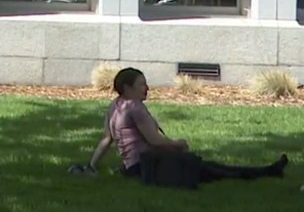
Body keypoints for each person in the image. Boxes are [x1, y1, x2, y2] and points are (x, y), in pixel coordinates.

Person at [85, 67, 288, 183]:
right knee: (210, 170)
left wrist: (92, 166)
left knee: (209, 167)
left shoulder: (115, 106)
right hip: (150, 166)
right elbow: (154, 141)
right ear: (127, 87)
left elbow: (107, 140)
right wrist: (178, 144)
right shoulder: (135, 108)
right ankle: (265, 172)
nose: (147, 88)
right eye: (142, 84)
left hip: (134, 168)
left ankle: (265, 171)